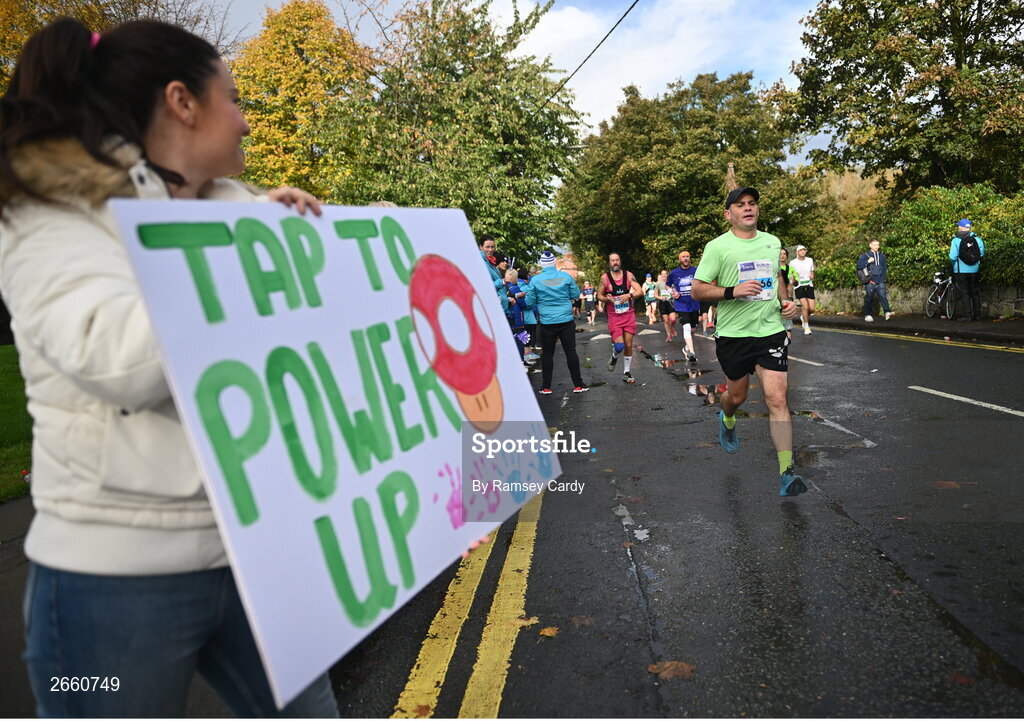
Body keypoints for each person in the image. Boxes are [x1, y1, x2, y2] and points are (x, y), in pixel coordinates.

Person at [0, 18, 346, 717]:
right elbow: (116, 360)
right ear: (183, 102)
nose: (248, 123)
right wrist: (250, 259)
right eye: (236, 98)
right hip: (113, 580)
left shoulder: (231, 209)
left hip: (254, 554)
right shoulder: (50, 211)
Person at [691, 187, 806, 497]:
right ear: (729, 213)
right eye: (740, 205)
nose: (748, 208)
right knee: (736, 397)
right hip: (733, 336)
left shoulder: (772, 242)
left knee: (778, 400)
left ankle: (787, 472)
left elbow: (777, 277)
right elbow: (698, 290)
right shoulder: (717, 248)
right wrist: (732, 291)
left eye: (752, 203)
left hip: (770, 331)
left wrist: (787, 303)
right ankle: (726, 416)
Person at [522, 251, 588, 394]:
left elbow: (529, 302)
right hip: (566, 320)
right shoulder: (566, 277)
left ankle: (546, 387)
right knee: (570, 351)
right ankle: (578, 384)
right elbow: (576, 295)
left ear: (542, 264)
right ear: (553, 263)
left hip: (546, 322)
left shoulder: (535, 280)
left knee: (547, 354)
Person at [597, 253, 642, 383]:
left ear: (620, 261)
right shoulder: (605, 278)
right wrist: (606, 298)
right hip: (614, 317)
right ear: (609, 263)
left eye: (617, 260)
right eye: (612, 260)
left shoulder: (629, 275)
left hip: (628, 315)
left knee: (628, 345)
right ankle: (614, 356)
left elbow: (640, 291)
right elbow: (599, 295)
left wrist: (629, 295)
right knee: (619, 346)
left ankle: (626, 372)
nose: (615, 262)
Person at [667, 251, 700, 362]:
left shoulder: (695, 271)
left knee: (693, 329)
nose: (685, 258)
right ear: (679, 259)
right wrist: (673, 292)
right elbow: (667, 286)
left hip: (694, 304)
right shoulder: (674, 273)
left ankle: (687, 348)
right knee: (686, 327)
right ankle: (692, 353)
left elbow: (701, 283)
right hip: (681, 305)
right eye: (683, 257)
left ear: (689, 258)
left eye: (687, 257)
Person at [950, 219, 985, 322]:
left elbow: (952, 256)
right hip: (974, 270)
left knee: (964, 293)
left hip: (961, 271)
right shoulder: (977, 239)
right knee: (975, 292)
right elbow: (981, 254)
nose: (958, 227)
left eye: (959, 226)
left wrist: (955, 265)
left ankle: (967, 316)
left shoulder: (956, 240)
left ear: (961, 227)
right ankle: (977, 315)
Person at [856, 238, 893, 322]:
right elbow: (858, 266)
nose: (877, 247)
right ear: (870, 245)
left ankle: (887, 312)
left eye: (878, 245)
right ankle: (867, 314)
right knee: (869, 298)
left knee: (883, 297)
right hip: (870, 281)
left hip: (880, 281)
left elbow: (884, 269)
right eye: (874, 245)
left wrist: (882, 280)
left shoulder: (882, 256)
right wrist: (868, 261)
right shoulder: (865, 255)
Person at [789, 244, 815, 335]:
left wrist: (812, 276)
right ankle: (807, 327)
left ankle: (803, 317)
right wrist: (794, 280)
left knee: (811, 309)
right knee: (805, 306)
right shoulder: (792, 262)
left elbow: (812, 272)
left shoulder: (810, 260)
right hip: (799, 286)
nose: (803, 252)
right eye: (800, 250)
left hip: (809, 285)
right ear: (797, 252)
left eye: (804, 250)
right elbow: (791, 276)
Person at [517, 267, 539, 362]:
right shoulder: (525, 286)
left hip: (524, 314)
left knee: (526, 333)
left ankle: (528, 351)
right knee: (527, 332)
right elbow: (529, 301)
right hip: (527, 313)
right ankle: (527, 352)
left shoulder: (517, 284)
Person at [656, 269, 676, 341]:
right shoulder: (658, 284)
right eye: (662, 274)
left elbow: (674, 291)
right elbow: (655, 295)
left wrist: (674, 295)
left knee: (673, 319)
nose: (664, 275)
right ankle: (668, 335)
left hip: (670, 302)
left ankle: (672, 328)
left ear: (667, 275)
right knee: (666, 321)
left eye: (665, 274)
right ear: (661, 275)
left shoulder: (671, 283)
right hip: (663, 303)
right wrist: (660, 297)